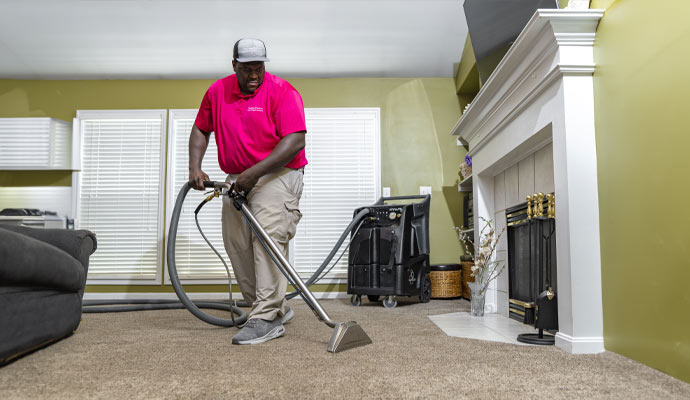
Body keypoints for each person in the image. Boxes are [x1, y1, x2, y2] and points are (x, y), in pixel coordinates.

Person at [188, 38, 307, 345]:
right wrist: (195, 167)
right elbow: (201, 128)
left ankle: (266, 317)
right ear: (234, 66)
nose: (255, 75)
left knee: (267, 237)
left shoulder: (283, 91)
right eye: (247, 69)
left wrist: (253, 174)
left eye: (259, 68)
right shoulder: (217, 92)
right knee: (237, 241)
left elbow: (294, 141)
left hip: (277, 172)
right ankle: (269, 306)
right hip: (238, 176)